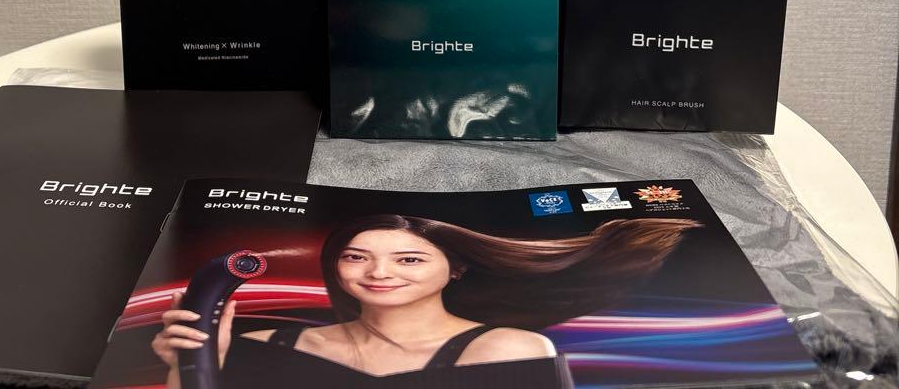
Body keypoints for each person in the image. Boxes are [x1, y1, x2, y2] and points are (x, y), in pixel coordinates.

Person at [153, 213, 699, 387]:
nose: (379, 273)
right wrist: (194, 366)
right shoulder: (265, 344)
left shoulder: (507, 350)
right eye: (356, 256)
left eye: (409, 259)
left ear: (454, 269)